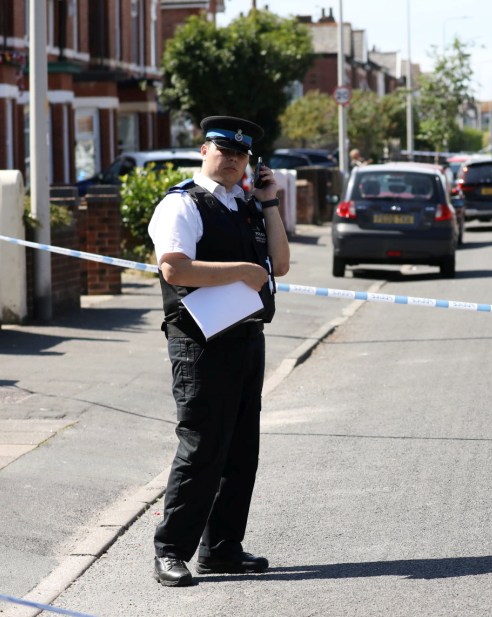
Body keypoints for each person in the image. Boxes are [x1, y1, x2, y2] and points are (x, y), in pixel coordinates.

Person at [147, 115, 290, 587]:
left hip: (247, 338)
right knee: (202, 447)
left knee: (240, 451)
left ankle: (223, 548)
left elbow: (281, 264)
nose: (231, 159)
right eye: (223, 150)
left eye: (241, 154)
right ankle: (170, 550)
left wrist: (269, 203)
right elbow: (175, 269)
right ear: (204, 151)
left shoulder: (246, 205)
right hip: (200, 344)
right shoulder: (183, 203)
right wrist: (242, 272)